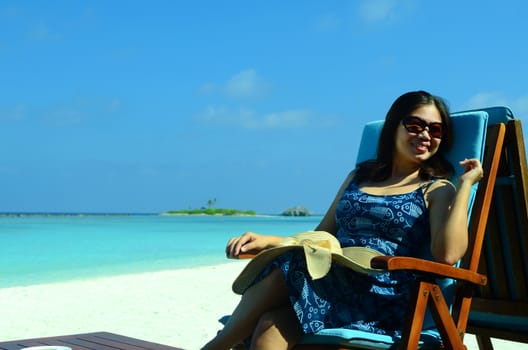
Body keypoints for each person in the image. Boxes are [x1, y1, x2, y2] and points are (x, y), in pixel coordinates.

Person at [201, 90, 484, 350]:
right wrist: (268, 241)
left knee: (288, 264)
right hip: (334, 285)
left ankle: (217, 346)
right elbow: (322, 234)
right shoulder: (359, 178)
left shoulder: (436, 188)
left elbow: (447, 255)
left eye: (435, 129)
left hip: (382, 295)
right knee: (269, 326)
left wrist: (465, 185)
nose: (425, 135)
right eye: (414, 125)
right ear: (393, 127)